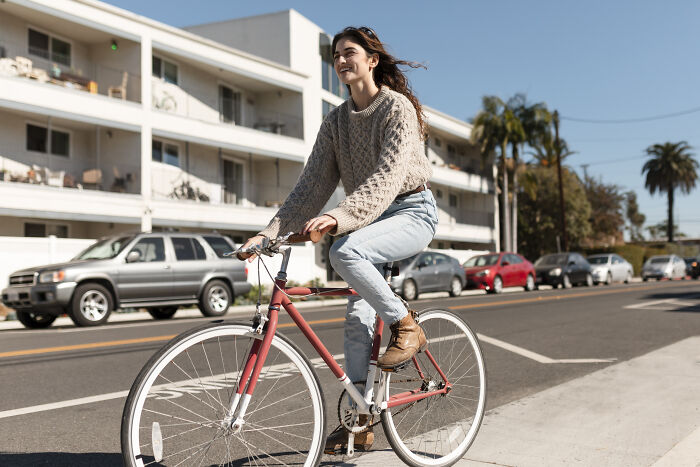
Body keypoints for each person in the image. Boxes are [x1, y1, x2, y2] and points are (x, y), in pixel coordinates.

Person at [240, 26, 438, 454]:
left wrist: (338, 217)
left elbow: (386, 180)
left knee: (344, 250)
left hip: (410, 210)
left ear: (372, 60)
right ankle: (361, 421)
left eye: (350, 52)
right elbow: (309, 188)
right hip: (367, 221)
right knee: (355, 321)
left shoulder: (396, 108)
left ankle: (407, 326)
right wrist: (266, 233)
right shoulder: (335, 123)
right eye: (336, 56)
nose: (342, 60)